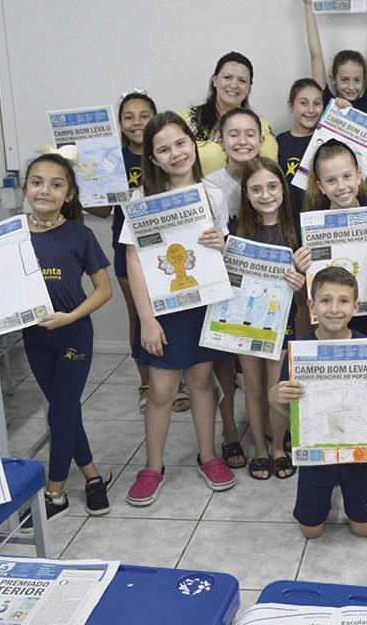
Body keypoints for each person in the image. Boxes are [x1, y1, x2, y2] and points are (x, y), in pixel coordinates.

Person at [121, 111, 236, 506]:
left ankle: (209, 456)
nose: (175, 154)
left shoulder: (214, 194)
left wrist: (223, 244)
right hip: (162, 309)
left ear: (193, 144)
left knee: (203, 382)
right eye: (164, 149)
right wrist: (147, 320)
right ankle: (153, 466)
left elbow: (223, 249)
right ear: (152, 159)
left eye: (181, 143)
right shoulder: (141, 200)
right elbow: (134, 261)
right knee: (163, 389)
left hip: (203, 303)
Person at [19, 152, 113, 524]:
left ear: (69, 195)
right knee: (66, 410)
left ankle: (55, 493)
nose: (45, 190)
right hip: (35, 337)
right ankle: (92, 476)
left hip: (73, 334)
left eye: (56, 184)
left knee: (60, 412)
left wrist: (70, 317)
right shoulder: (11, 236)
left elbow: (104, 289)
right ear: (26, 189)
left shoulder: (80, 235)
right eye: (37, 182)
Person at [269, 266, 367, 538]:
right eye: (326, 301)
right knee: (310, 531)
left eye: (343, 301)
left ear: (356, 306)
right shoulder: (300, 351)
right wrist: (275, 395)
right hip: (316, 456)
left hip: (358, 454)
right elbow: (283, 405)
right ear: (312, 306)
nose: (334, 309)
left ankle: (354, 501)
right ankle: (320, 502)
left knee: (364, 529)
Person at [85, 92, 190, 416]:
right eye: (128, 116)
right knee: (140, 315)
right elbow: (100, 211)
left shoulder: (169, 155)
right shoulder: (111, 159)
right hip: (128, 248)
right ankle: (146, 382)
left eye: (144, 115)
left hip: (171, 248)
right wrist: (89, 182)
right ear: (119, 123)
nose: (136, 122)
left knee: (176, 311)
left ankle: (177, 378)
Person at [231, 157, 312, 479]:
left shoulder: (299, 232)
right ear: (247, 195)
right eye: (256, 189)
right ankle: (261, 451)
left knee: (277, 386)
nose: (266, 195)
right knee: (252, 388)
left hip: (284, 322)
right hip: (245, 321)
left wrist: (301, 282)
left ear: (283, 188)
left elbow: (311, 293)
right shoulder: (237, 233)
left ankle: (278, 446)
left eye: (272, 186)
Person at [201, 106, 266, 466]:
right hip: (222, 287)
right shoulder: (209, 187)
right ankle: (228, 432)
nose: (242, 141)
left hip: (263, 290)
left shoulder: (271, 180)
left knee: (260, 372)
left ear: (261, 139)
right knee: (224, 366)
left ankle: (270, 429)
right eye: (234, 134)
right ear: (220, 140)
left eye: (250, 134)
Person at [303, 138, 367, 343]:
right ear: (321, 186)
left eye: (347, 176)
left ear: (359, 176)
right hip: (333, 318)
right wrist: (302, 265)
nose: (341, 186)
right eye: (331, 180)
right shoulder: (313, 224)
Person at [301, 0, 367, 116]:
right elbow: (315, 56)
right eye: (344, 80)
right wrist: (308, 5)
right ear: (334, 79)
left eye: (357, 80)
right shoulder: (326, 101)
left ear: (364, 79)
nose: (351, 87)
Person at [181, 52, 278, 174]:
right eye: (227, 77)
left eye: (242, 80)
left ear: (249, 88)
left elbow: (270, 167)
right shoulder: (188, 120)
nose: (234, 85)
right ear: (215, 81)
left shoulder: (260, 125)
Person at [275, 78, 325, 217]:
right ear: (291, 106)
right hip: (291, 219)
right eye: (303, 103)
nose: (311, 110)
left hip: (326, 220)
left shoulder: (328, 139)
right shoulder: (280, 142)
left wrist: (344, 110)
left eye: (317, 103)